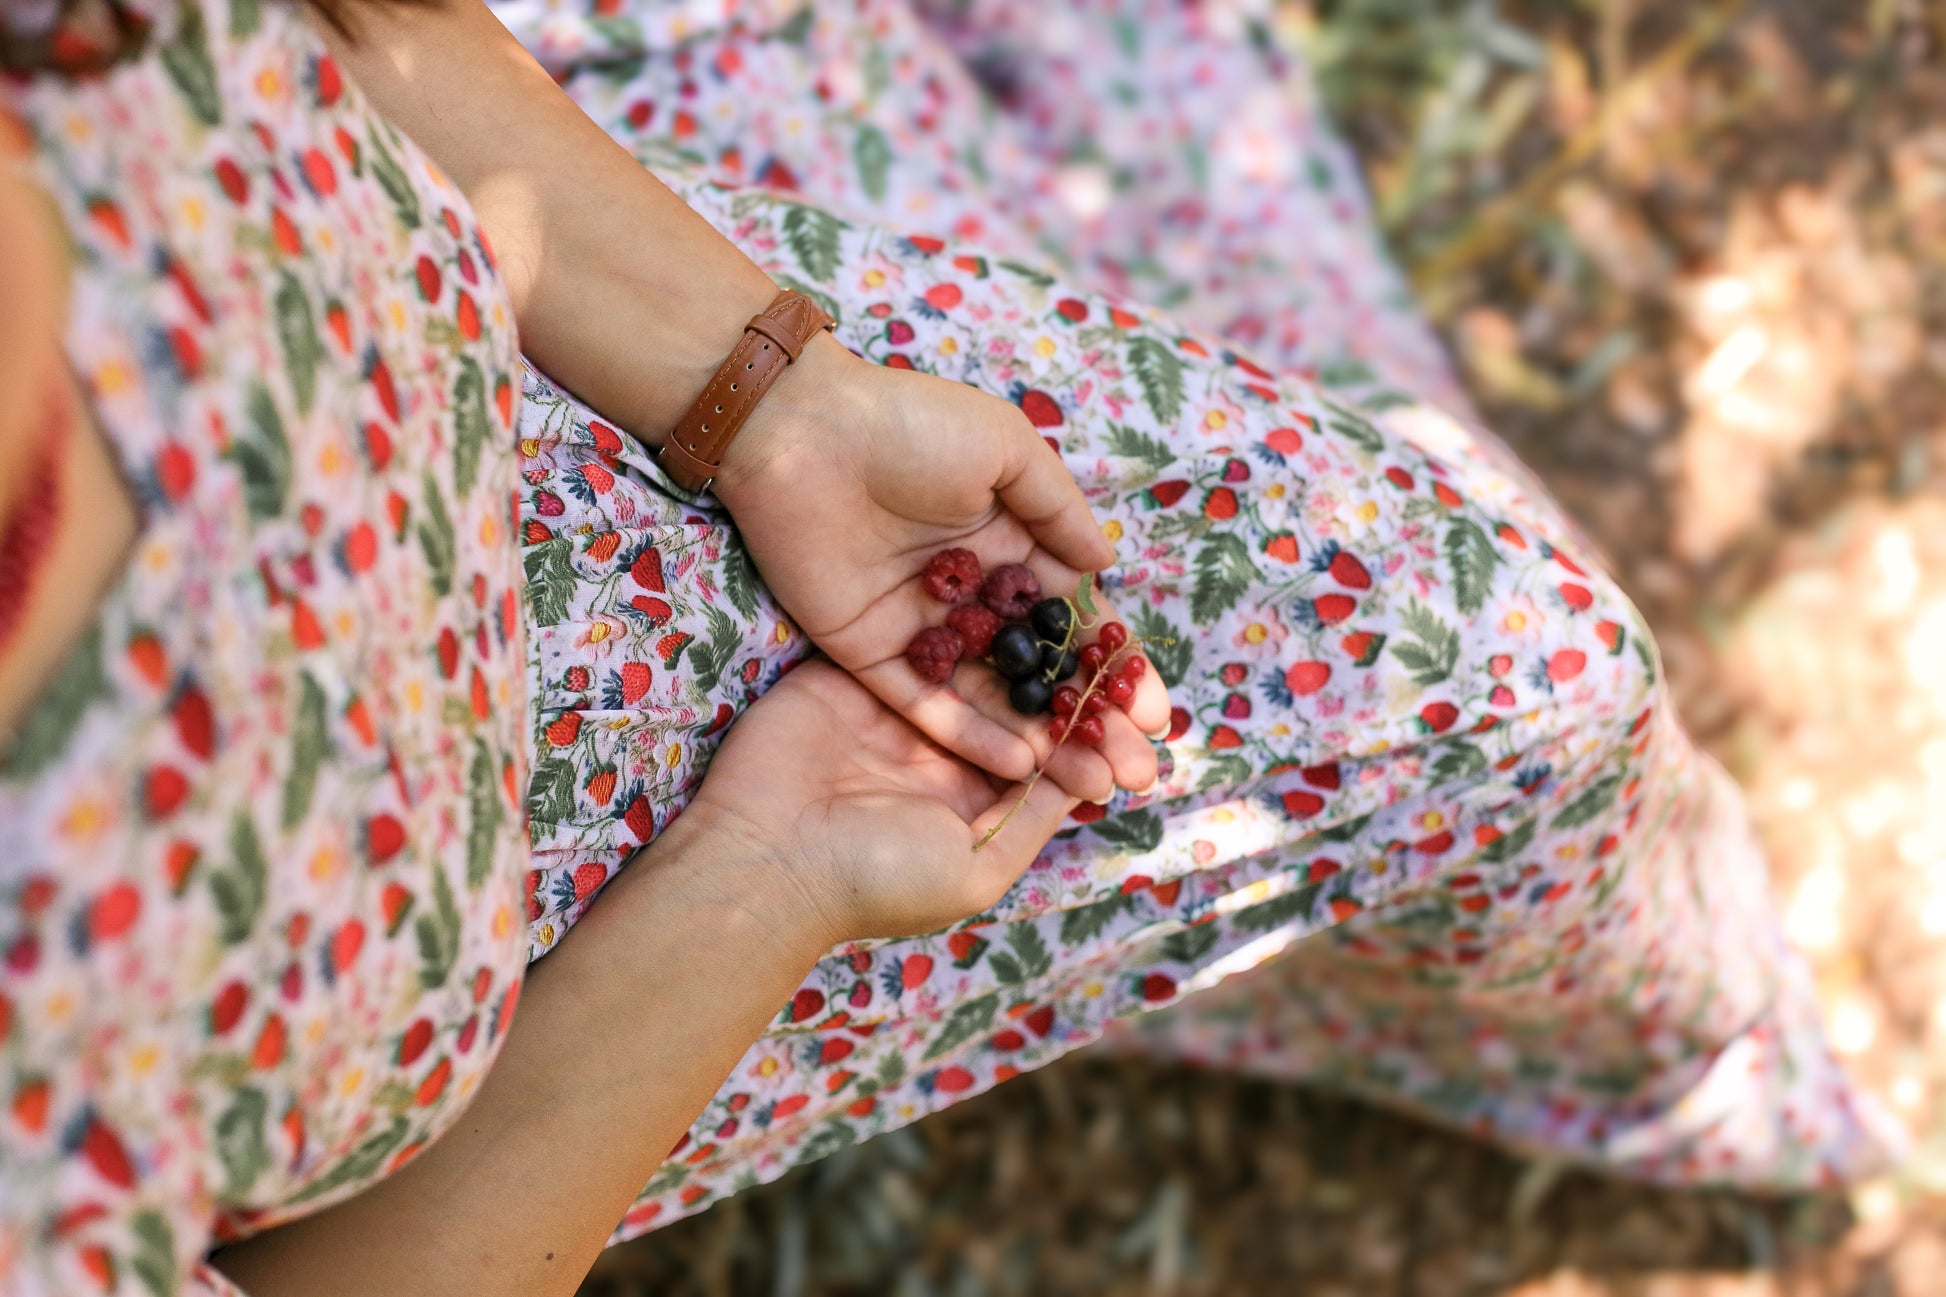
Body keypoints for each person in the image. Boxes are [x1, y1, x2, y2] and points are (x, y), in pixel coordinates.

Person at [0, 1, 1894, 1293]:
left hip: (633, 307)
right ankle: (1700, 1072)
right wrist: (771, 874)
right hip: (605, 955)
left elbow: (363, 28)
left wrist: (773, 395)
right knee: (1512, 685)